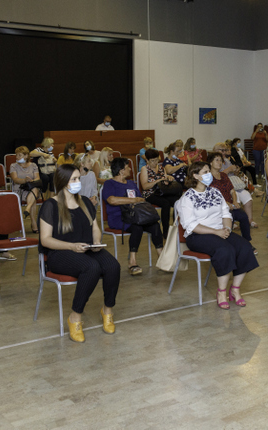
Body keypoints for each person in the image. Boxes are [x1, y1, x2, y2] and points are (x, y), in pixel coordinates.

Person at [39, 164, 120, 343]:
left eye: (78, 178)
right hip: (60, 253)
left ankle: (107, 310)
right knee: (91, 267)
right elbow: (45, 239)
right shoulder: (50, 205)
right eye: (74, 179)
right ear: (62, 181)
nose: (78, 182)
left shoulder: (84, 202)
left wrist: (96, 242)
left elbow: (95, 228)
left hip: (86, 248)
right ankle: (75, 317)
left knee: (113, 266)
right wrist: (71, 246)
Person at [178, 162, 258, 308]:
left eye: (209, 171)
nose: (209, 174)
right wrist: (216, 232)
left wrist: (227, 228)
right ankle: (221, 292)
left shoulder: (215, 192)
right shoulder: (187, 198)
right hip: (197, 236)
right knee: (225, 250)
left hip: (220, 231)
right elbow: (190, 225)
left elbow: (226, 213)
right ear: (195, 176)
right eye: (205, 172)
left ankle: (235, 289)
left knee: (245, 247)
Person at [102, 158, 163, 276]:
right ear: (121, 171)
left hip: (136, 215)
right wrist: (133, 200)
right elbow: (111, 200)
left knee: (154, 225)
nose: (130, 169)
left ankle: (161, 257)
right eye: (127, 167)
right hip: (119, 217)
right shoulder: (109, 184)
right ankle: (132, 261)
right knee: (137, 227)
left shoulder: (131, 183)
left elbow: (140, 199)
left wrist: (138, 200)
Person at [208, 152, 254, 243]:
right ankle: (228, 241)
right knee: (230, 217)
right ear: (210, 163)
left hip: (231, 205)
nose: (219, 162)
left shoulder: (224, 175)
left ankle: (246, 242)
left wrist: (235, 201)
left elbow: (232, 190)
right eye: (217, 160)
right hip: (218, 206)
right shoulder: (208, 178)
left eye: (220, 160)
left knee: (244, 216)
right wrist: (225, 203)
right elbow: (211, 196)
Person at [138, 149, 182, 235]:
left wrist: (168, 179)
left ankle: (175, 227)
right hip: (150, 194)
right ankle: (166, 232)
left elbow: (165, 181)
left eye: (156, 160)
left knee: (177, 201)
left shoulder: (161, 167)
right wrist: (157, 181)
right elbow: (145, 186)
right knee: (165, 204)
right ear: (147, 160)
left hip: (162, 192)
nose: (155, 163)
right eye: (152, 161)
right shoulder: (144, 169)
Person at [9, 146, 43, 234]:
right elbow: (15, 180)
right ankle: (34, 223)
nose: (17, 157)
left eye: (19, 155)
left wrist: (31, 181)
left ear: (26, 155)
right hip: (19, 189)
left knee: (33, 190)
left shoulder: (33, 165)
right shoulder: (13, 166)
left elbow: (37, 178)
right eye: (16, 155)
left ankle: (28, 208)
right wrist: (25, 180)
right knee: (33, 196)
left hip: (31, 187)